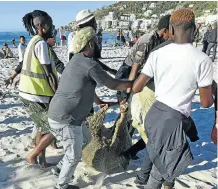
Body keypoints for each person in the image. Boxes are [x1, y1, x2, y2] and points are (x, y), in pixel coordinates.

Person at [132, 8, 213, 189]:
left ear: (171, 28)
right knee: (160, 174)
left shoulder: (157, 54)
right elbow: (206, 103)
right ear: (195, 29)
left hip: (153, 115)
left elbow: (137, 87)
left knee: (159, 162)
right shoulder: (202, 60)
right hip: (173, 122)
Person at [47, 26, 133, 189]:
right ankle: (61, 185)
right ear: (91, 43)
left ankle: (59, 169)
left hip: (68, 116)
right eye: (97, 40)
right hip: (65, 118)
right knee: (74, 156)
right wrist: (134, 83)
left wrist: (98, 101)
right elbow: (113, 84)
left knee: (85, 140)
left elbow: (84, 85)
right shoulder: (88, 64)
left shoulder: (76, 60)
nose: (99, 42)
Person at [120, 15, 171, 161]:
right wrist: (127, 92)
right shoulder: (148, 40)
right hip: (128, 73)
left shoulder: (162, 41)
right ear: (165, 30)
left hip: (144, 76)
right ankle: (122, 149)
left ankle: (129, 150)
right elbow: (134, 68)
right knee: (129, 115)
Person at [19, 10, 59, 167]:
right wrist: (58, 94)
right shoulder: (41, 44)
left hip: (29, 92)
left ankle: (41, 161)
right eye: (50, 25)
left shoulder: (33, 41)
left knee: (41, 128)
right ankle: (33, 156)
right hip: (36, 94)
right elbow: (49, 73)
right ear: (41, 26)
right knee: (55, 128)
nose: (52, 28)